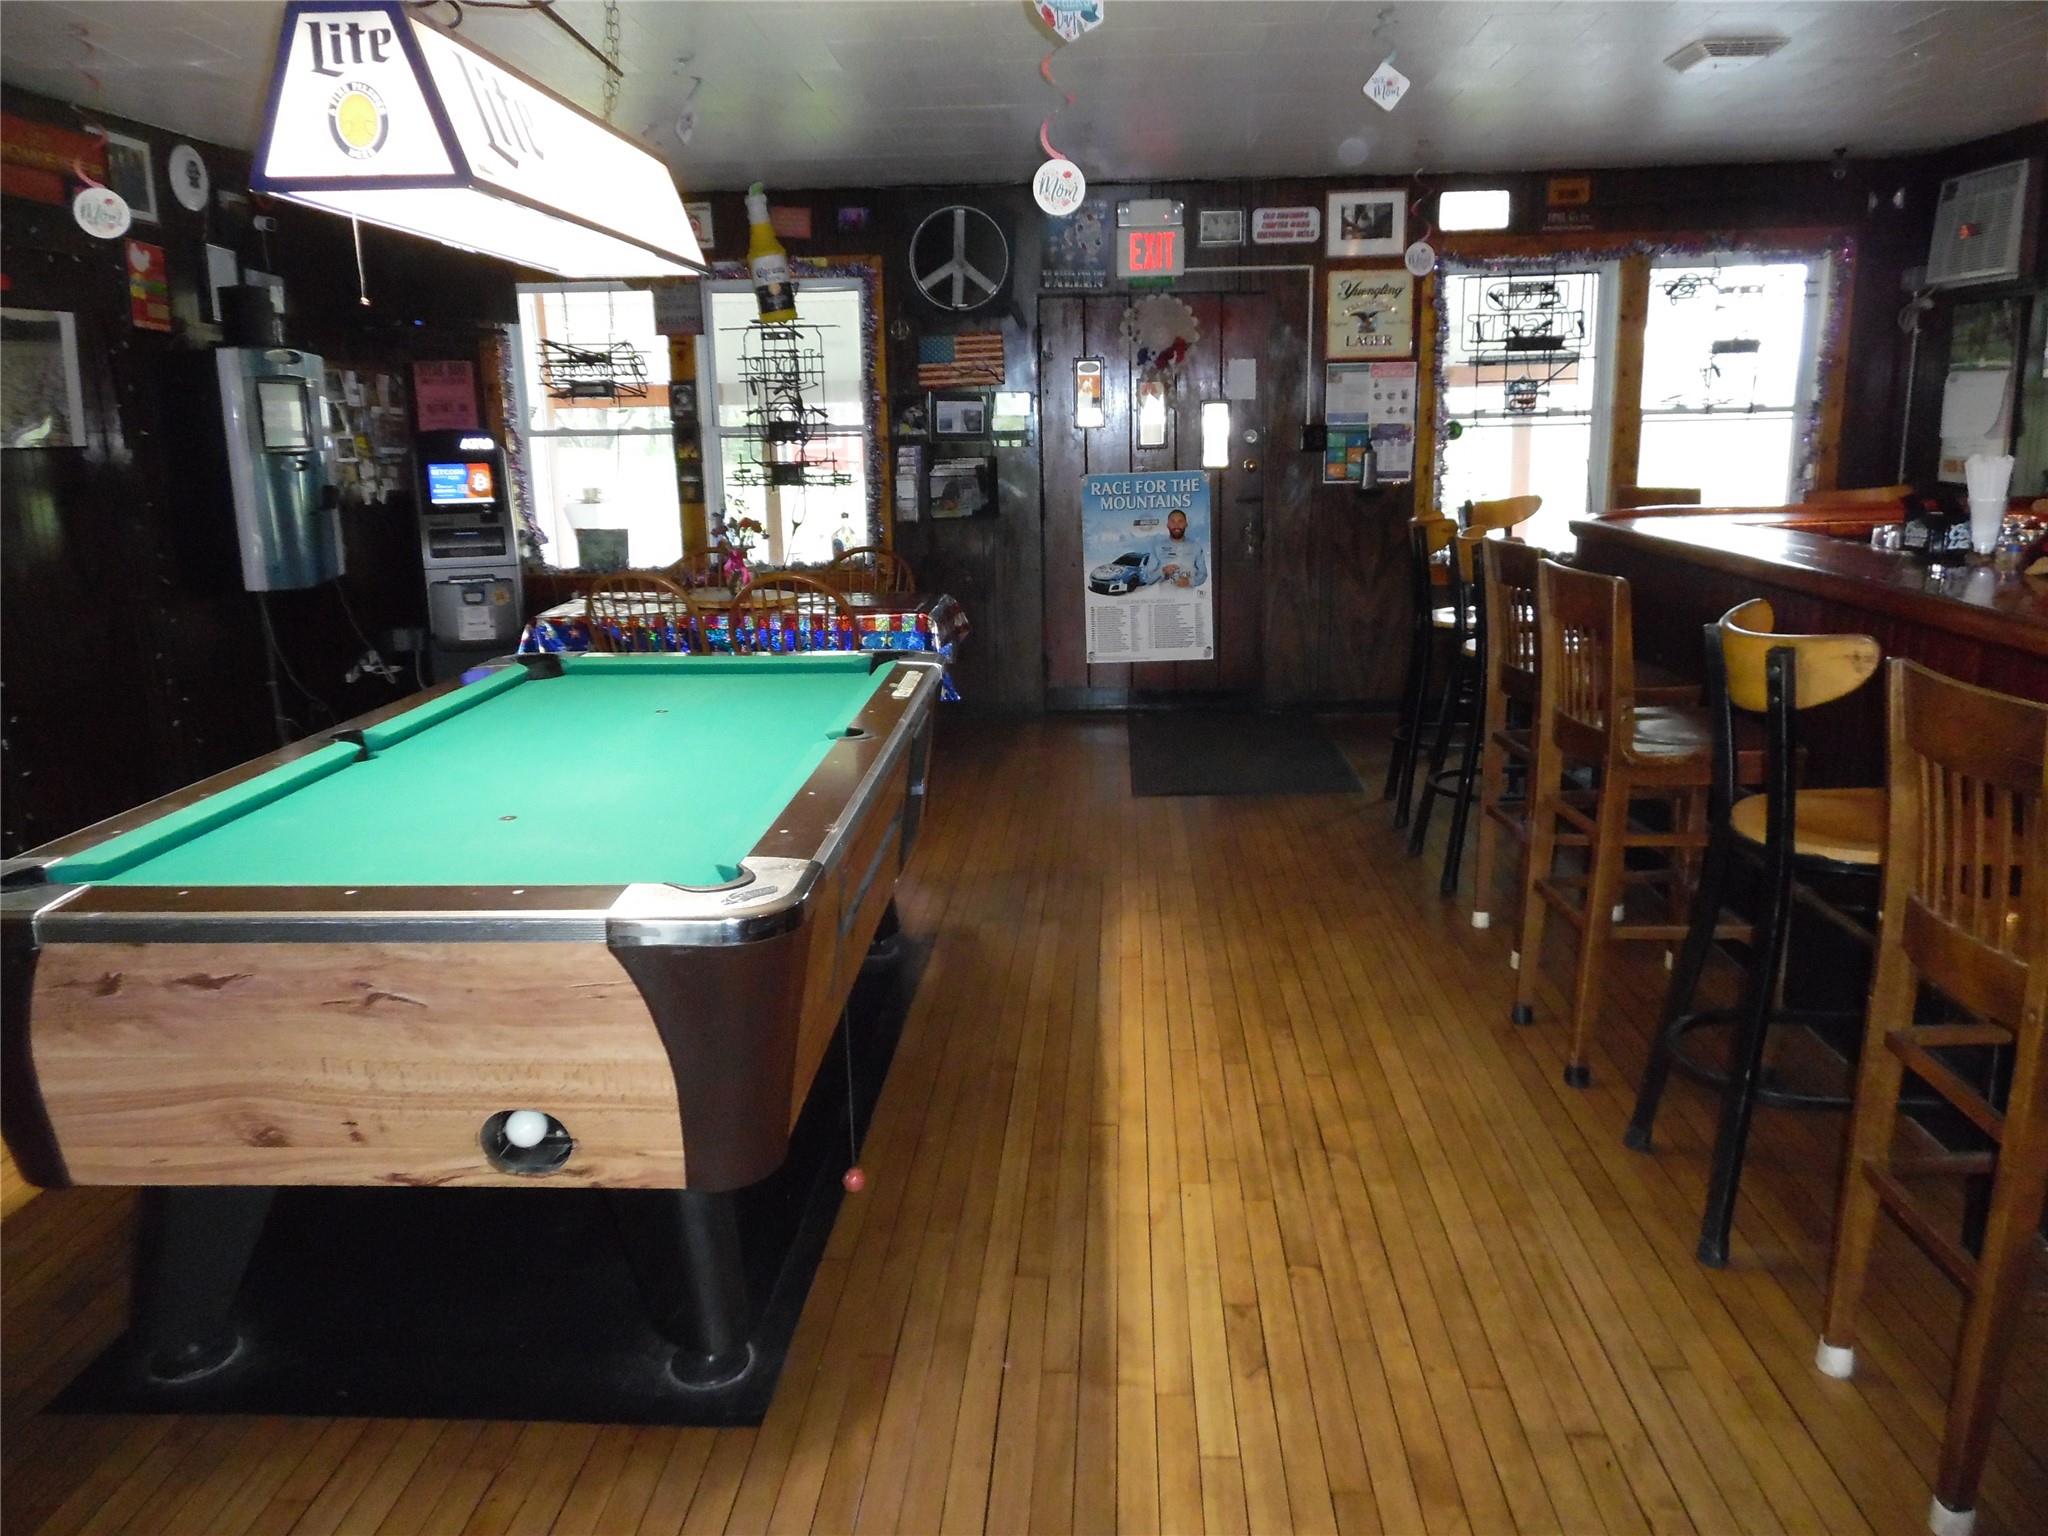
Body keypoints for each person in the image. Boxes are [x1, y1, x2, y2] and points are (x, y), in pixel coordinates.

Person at [1152, 507, 1208, 589]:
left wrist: (1189, 581)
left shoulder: (1196, 547)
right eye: (1173, 522)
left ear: (1186, 524)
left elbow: (1203, 574)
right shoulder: (1157, 547)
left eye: (1180, 521)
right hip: (1165, 596)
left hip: (1189, 596)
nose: (1176, 525)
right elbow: (1148, 578)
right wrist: (1162, 571)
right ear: (1167, 525)